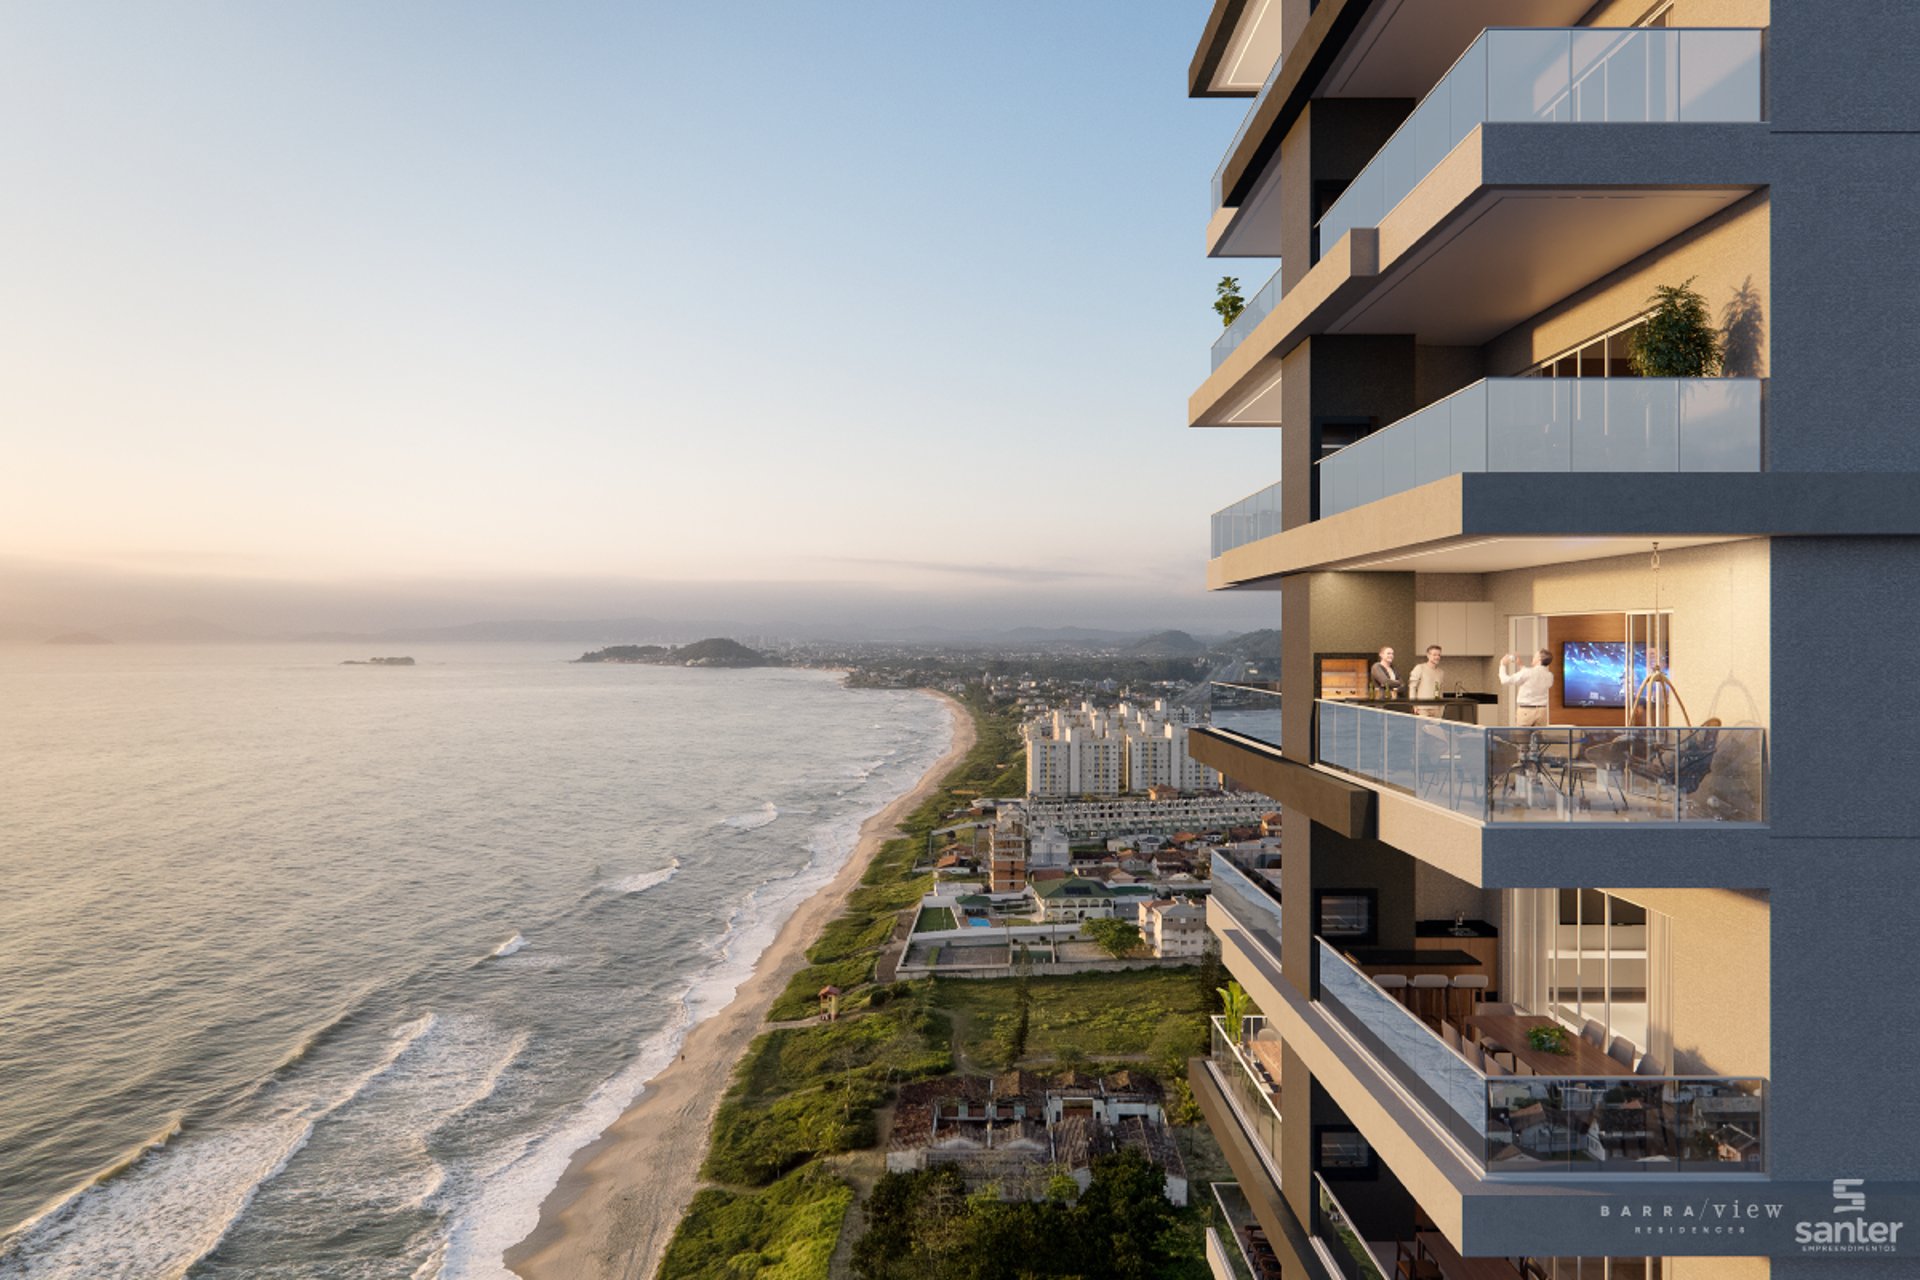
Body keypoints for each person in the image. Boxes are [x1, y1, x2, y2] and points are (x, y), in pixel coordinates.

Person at [1500, 649, 1555, 728]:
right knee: (1539, 735)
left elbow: (1504, 680)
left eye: (1535, 656)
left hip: (1526, 711)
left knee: (1522, 735)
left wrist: (1502, 665)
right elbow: (1533, 676)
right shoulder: (1550, 675)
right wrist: (1521, 665)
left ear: (1539, 658)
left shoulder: (1527, 672)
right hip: (1542, 711)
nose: (1532, 658)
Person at [1407, 644, 1446, 717]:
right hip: (1422, 708)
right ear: (1428, 655)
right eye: (1434, 655)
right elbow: (1412, 687)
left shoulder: (1441, 672)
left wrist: (1442, 708)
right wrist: (1414, 705)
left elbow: (1441, 691)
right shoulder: (1420, 668)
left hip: (1436, 709)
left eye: (1439, 655)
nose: (1437, 657)